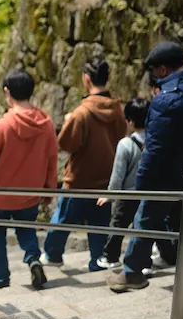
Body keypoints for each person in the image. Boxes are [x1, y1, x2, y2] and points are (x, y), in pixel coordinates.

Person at [108, 41, 183, 292]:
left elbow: (155, 148)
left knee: (146, 219)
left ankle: (132, 273)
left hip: (164, 174)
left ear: (162, 69)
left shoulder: (165, 100)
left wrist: (142, 183)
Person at [0, 69, 58, 291]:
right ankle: (33, 258)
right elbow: (52, 159)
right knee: (26, 229)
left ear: (7, 92)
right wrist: (48, 190)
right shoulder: (46, 125)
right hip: (29, 195)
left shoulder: (0, 126)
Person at [43, 58, 127, 272]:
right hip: (105, 179)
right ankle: (97, 261)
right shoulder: (118, 111)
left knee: (62, 220)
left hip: (79, 179)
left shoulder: (81, 113)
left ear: (86, 79)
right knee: (100, 225)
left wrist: (69, 120)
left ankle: (53, 255)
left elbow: (66, 143)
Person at [96, 98, 150, 269]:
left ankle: (110, 257)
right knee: (143, 228)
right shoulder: (155, 141)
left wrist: (110, 195)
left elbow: (118, 175)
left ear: (130, 121)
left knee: (118, 225)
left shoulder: (125, 144)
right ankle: (145, 261)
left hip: (127, 194)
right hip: (149, 193)